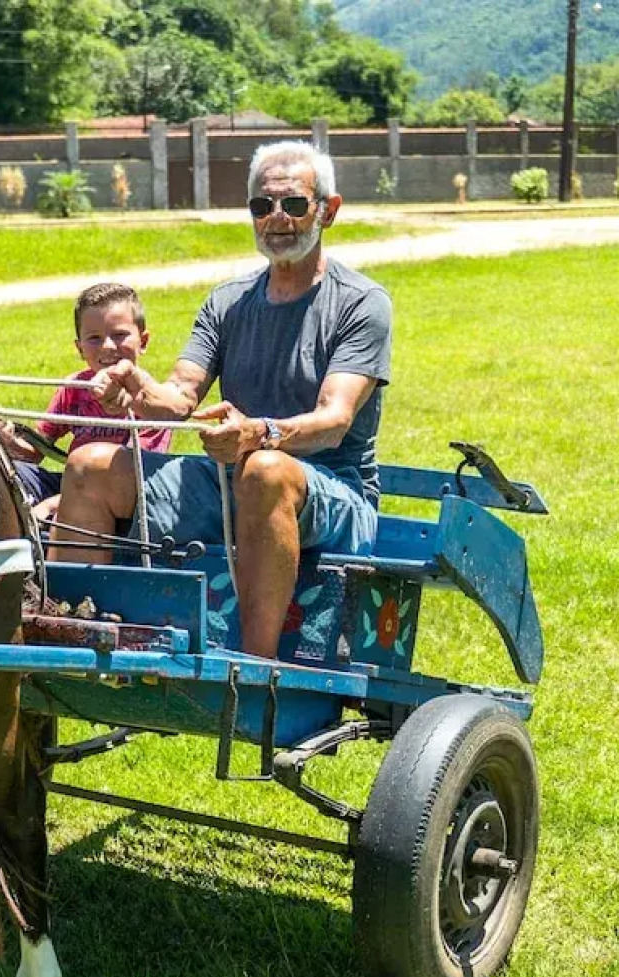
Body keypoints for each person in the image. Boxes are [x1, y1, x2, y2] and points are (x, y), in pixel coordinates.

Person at [48, 141, 392, 660]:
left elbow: (334, 421)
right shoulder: (227, 302)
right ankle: (75, 637)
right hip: (233, 479)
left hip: (336, 489)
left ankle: (255, 670)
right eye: (261, 206)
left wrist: (259, 434)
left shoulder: (362, 303)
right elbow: (180, 396)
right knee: (90, 465)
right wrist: (137, 386)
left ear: (329, 210)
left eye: (294, 204)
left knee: (266, 471)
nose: (276, 218)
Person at [0, 282, 171, 521]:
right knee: (5, 475)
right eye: (94, 338)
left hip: (127, 498)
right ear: (79, 348)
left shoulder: (150, 400)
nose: (108, 346)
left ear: (143, 341)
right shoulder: (75, 388)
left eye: (119, 335)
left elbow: (134, 478)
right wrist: (6, 441)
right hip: (72, 484)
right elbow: (37, 452)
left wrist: (54, 504)